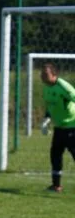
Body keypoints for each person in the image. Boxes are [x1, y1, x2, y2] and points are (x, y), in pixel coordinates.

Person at [40, 63, 75, 193]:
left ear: (54, 75)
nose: (42, 77)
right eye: (41, 74)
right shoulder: (46, 88)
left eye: (45, 74)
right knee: (55, 155)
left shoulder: (64, 87)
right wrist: (46, 120)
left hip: (72, 126)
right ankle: (56, 185)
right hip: (59, 128)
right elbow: (50, 106)